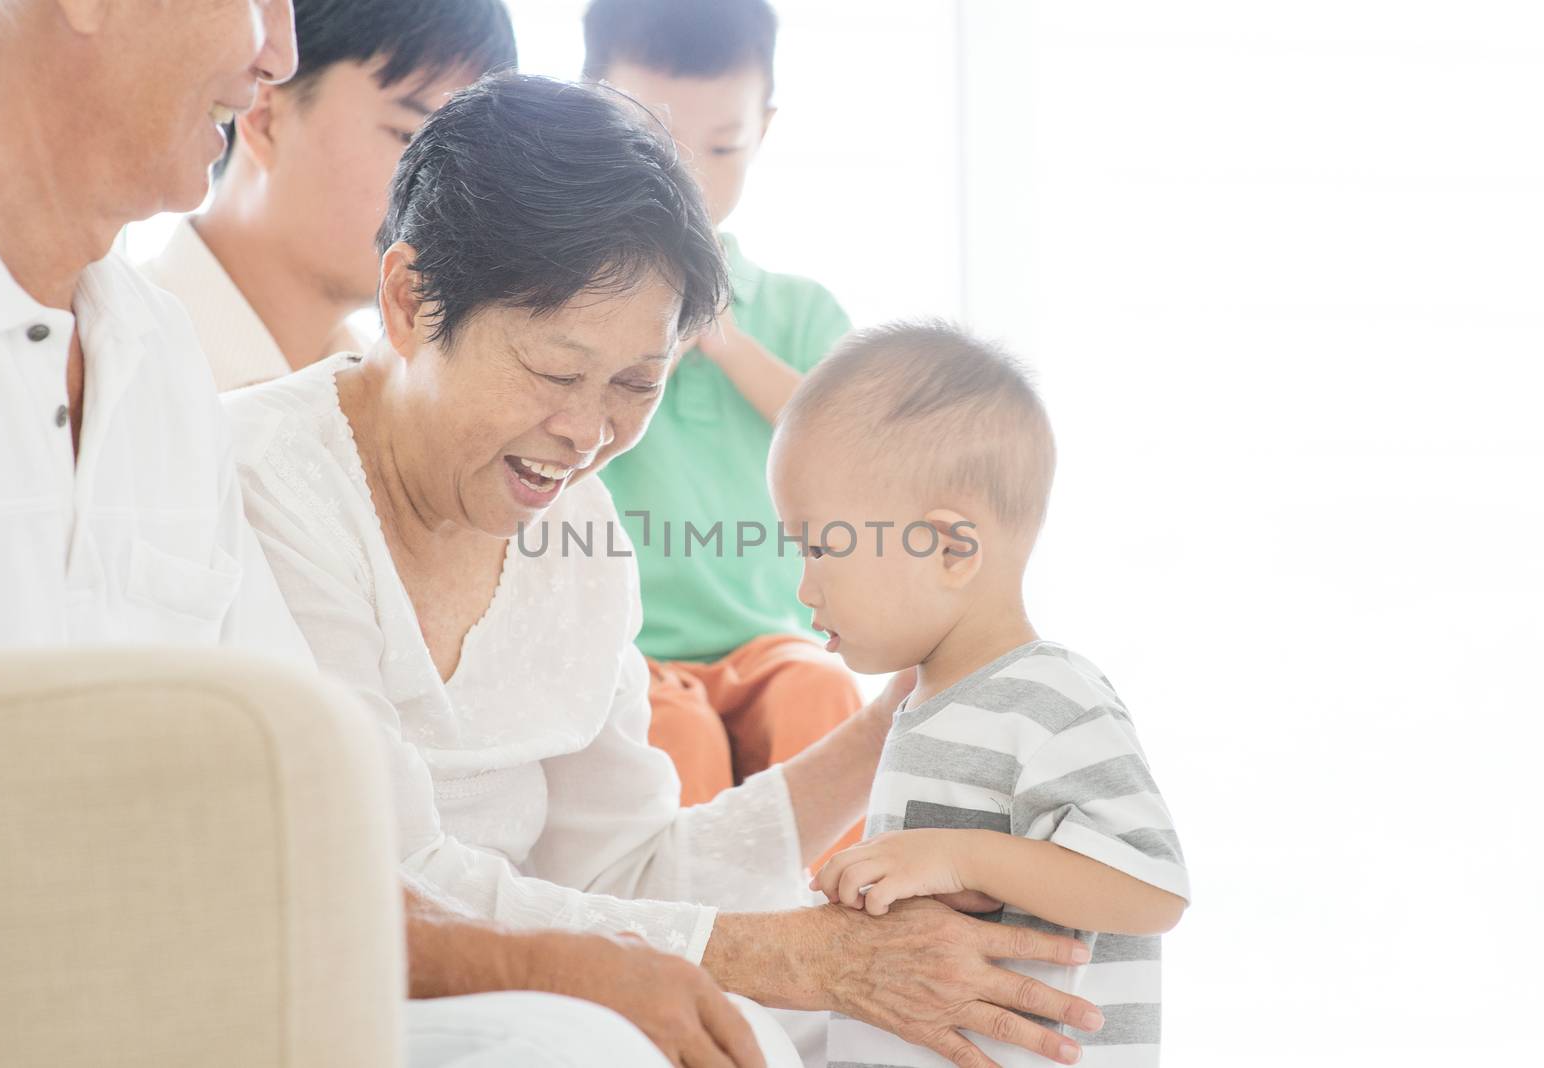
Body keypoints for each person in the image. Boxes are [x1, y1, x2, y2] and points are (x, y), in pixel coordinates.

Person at [0, 2, 781, 1065]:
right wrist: (555, 970)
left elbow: (307, 830)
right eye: (255, 0)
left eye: (629, 383)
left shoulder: (149, 358)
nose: (278, 55)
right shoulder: (272, 446)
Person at [224, 72, 1104, 1068]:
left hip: (556, 984)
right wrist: (786, 958)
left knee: (881, 1037)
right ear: (410, 302)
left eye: (637, 384)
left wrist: (903, 707)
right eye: (555, 373)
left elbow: (626, 872)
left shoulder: (579, 531)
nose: (586, 433)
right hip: (356, 988)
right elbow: (394, 887)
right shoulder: (261, 485)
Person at [768, 322, 1192, 1067]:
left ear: (950, 547)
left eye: (820, 549)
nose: (803, 587)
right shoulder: (935, 707)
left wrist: (959, 857)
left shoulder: (1047, 696)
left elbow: (1149, 888)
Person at [583, 0, 866, 832]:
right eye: (658, 148)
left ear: (764, 130)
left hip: (772, 637)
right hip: (633, 652)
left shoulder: (801, 311)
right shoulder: (570, 311)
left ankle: (838, 934)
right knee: (675, 740)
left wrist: (729, 344)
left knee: (823, 694)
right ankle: (703, 951)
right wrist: (644, 355)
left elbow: (861, 457)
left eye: (724, 147)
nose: (691, 180)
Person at [140, 0, 516, 391]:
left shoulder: (398, 401)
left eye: (468, 159)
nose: (452, 191)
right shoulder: (110, 353)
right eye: (409, 137)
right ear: (265, 117)